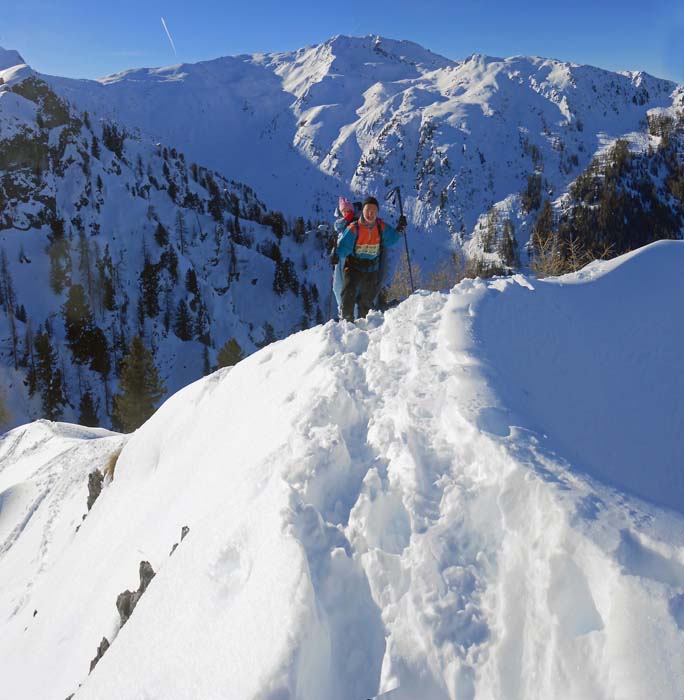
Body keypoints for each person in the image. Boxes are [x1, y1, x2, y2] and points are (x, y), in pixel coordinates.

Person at [336, 196, 407, 322]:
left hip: (371, 269)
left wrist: (400, 228)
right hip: (353, 267)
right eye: (368, 210)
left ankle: (364, 323)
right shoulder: (354, 228)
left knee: (366, 299)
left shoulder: (380, 227)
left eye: (374, 211)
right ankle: (346, 322)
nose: (370, 214)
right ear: (362, 211)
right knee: (348, 293)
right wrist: (335, 254)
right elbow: (344, 246)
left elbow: (392, 238)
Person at [330, 197, 356, 318]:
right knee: (337, 288)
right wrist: (333, 256)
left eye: (349, 210)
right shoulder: (340, 227)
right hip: (340, 262)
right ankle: (343, 314)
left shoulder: (354, 224)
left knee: (351, 290)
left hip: (351, 261)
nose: (347, 213)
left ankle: (355, 317)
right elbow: (337, 246)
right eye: (344, 211)